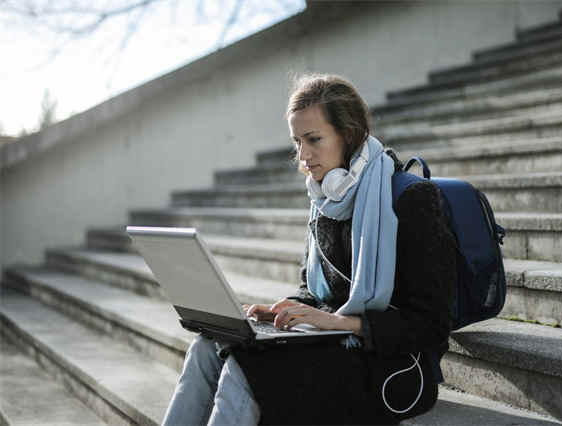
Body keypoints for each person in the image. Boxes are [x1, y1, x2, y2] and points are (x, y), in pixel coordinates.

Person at [162, 74, 456, 426]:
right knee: (207, 347)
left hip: (392, 365)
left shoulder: (411, 199)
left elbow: (431, 324)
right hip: (332, 343)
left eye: (314, 139)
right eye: (297, 142)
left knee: (248, 366)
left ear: (348, 135)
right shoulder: (325, 199)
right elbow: (313, 292)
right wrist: (279, 313)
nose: (303, 156)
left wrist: (339, 322)